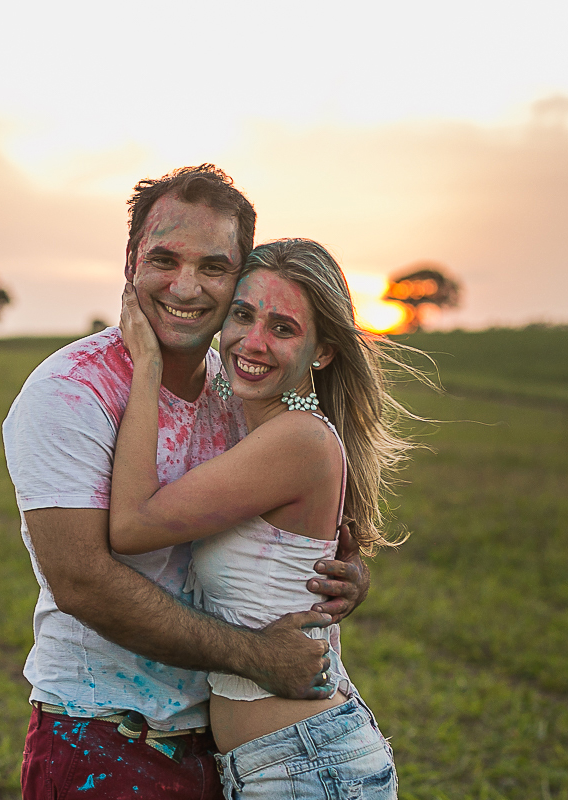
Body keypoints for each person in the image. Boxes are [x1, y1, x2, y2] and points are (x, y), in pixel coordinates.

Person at [2, 166, 370, 800]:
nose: (186, 286)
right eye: (165, 259)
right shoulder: (71, 392)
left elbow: (285, 527)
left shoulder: (242, 390)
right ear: (130, 261)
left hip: (226, 749)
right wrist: (255, 655)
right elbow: (83, 580)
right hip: (109, 735)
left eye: (214, 267)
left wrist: (339, 571)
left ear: (237, 277)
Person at [110, 238, 412, 799]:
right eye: (243, 316)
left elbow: (131, 525)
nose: (253, 342)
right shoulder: (253, 428)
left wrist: (147, 364)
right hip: (280, 760)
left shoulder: (297, 440)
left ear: (321, 352)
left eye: (283, 328)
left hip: (305, 764)